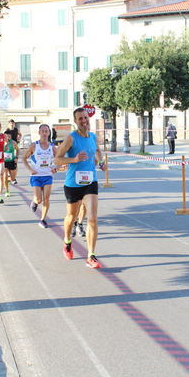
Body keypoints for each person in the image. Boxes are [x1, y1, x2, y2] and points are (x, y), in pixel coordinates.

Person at [54, 108, 106, 269]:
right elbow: (57, 160)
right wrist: (74, 159)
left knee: (92, 218)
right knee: (71, 217)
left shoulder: (93, 137)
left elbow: (97, 151)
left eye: (85, 117)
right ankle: (67, 240)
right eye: (80, 119)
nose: (84, 121)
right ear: (75, 122)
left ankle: (91, 255)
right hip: (73, 184)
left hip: (90, 182)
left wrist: (101, 161)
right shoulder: (71, 139)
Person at [23, 124, 57, 228]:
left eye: (46, 131)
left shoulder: (52, 147)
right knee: (39, 200)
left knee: (46, 198)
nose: (44, 133)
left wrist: (56, 167)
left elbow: (58, 159)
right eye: (42, 131)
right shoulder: (34, 146)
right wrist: (30, 169)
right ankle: (34, 201)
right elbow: (24, 158)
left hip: (47, 176)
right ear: (39, 133)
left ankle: (42, 219)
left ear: (49, 133)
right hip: (36, 176)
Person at [3, 131, 20, 198]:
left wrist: (16, 157)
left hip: (11, 161)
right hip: (4, 162)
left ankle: (9, 180)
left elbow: (18, 150)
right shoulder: (1, 143)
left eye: (8, 136)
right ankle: (7, 191)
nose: (7, 137)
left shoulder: (13, 143)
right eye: (5, 136)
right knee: (5, 177)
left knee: (13, 178)